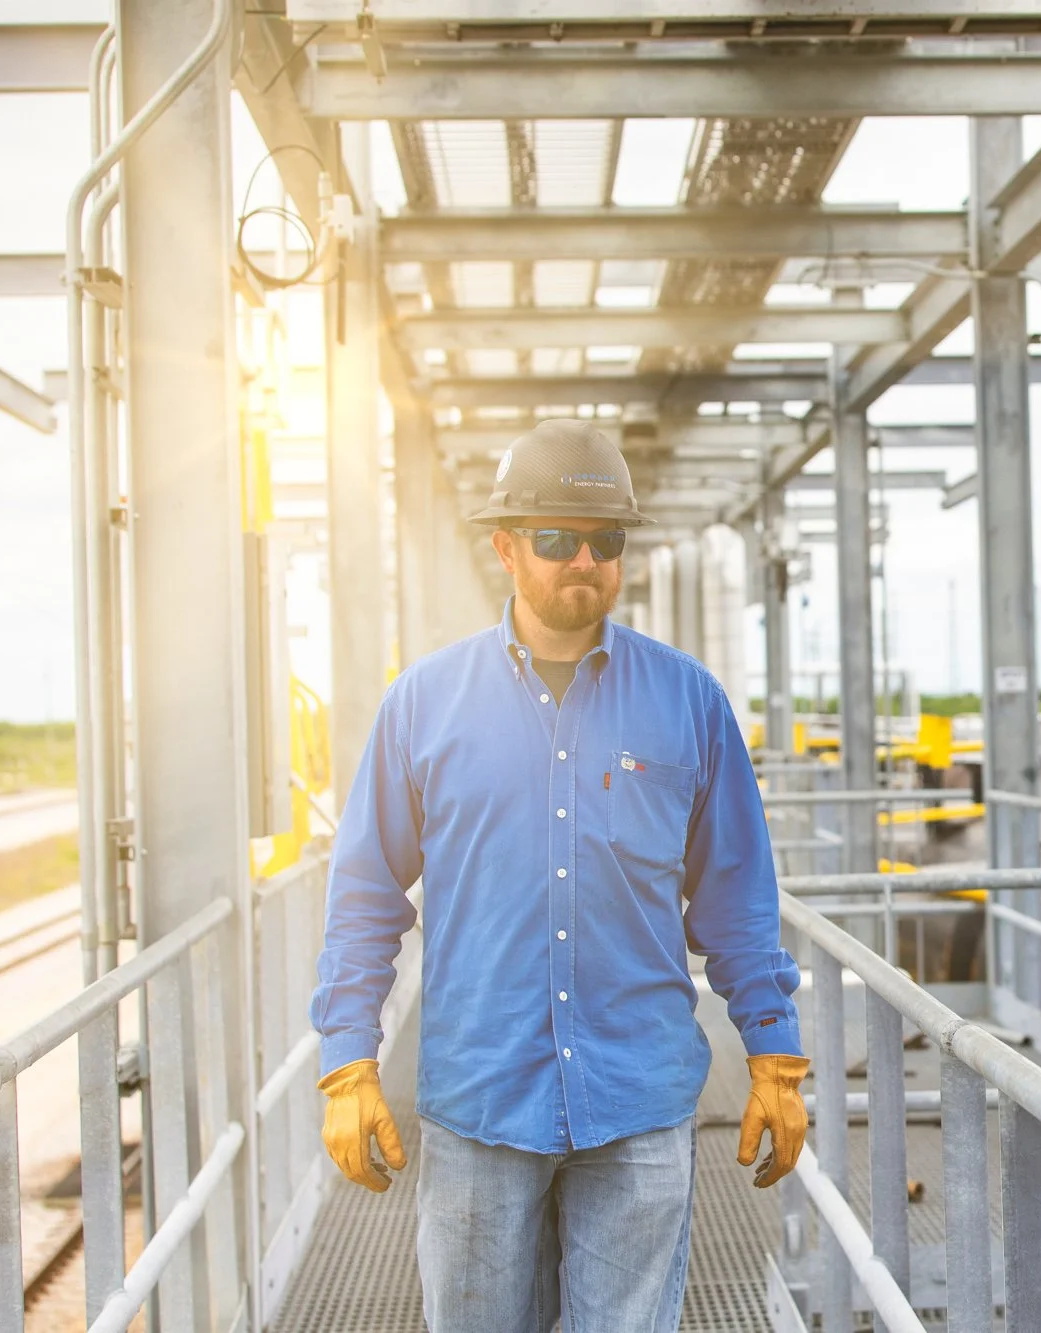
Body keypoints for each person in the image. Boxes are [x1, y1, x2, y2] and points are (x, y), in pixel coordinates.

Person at [309, 418, 807, 1332]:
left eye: (605, 539)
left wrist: (773, 1052)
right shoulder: (424, 703)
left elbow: (736, 892)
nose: (583, 558)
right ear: (505, 547)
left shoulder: (689, 701)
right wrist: (348, 1061)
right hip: (482, 1100)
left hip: (640, 1103)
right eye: (554, 538)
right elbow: (366, 894)